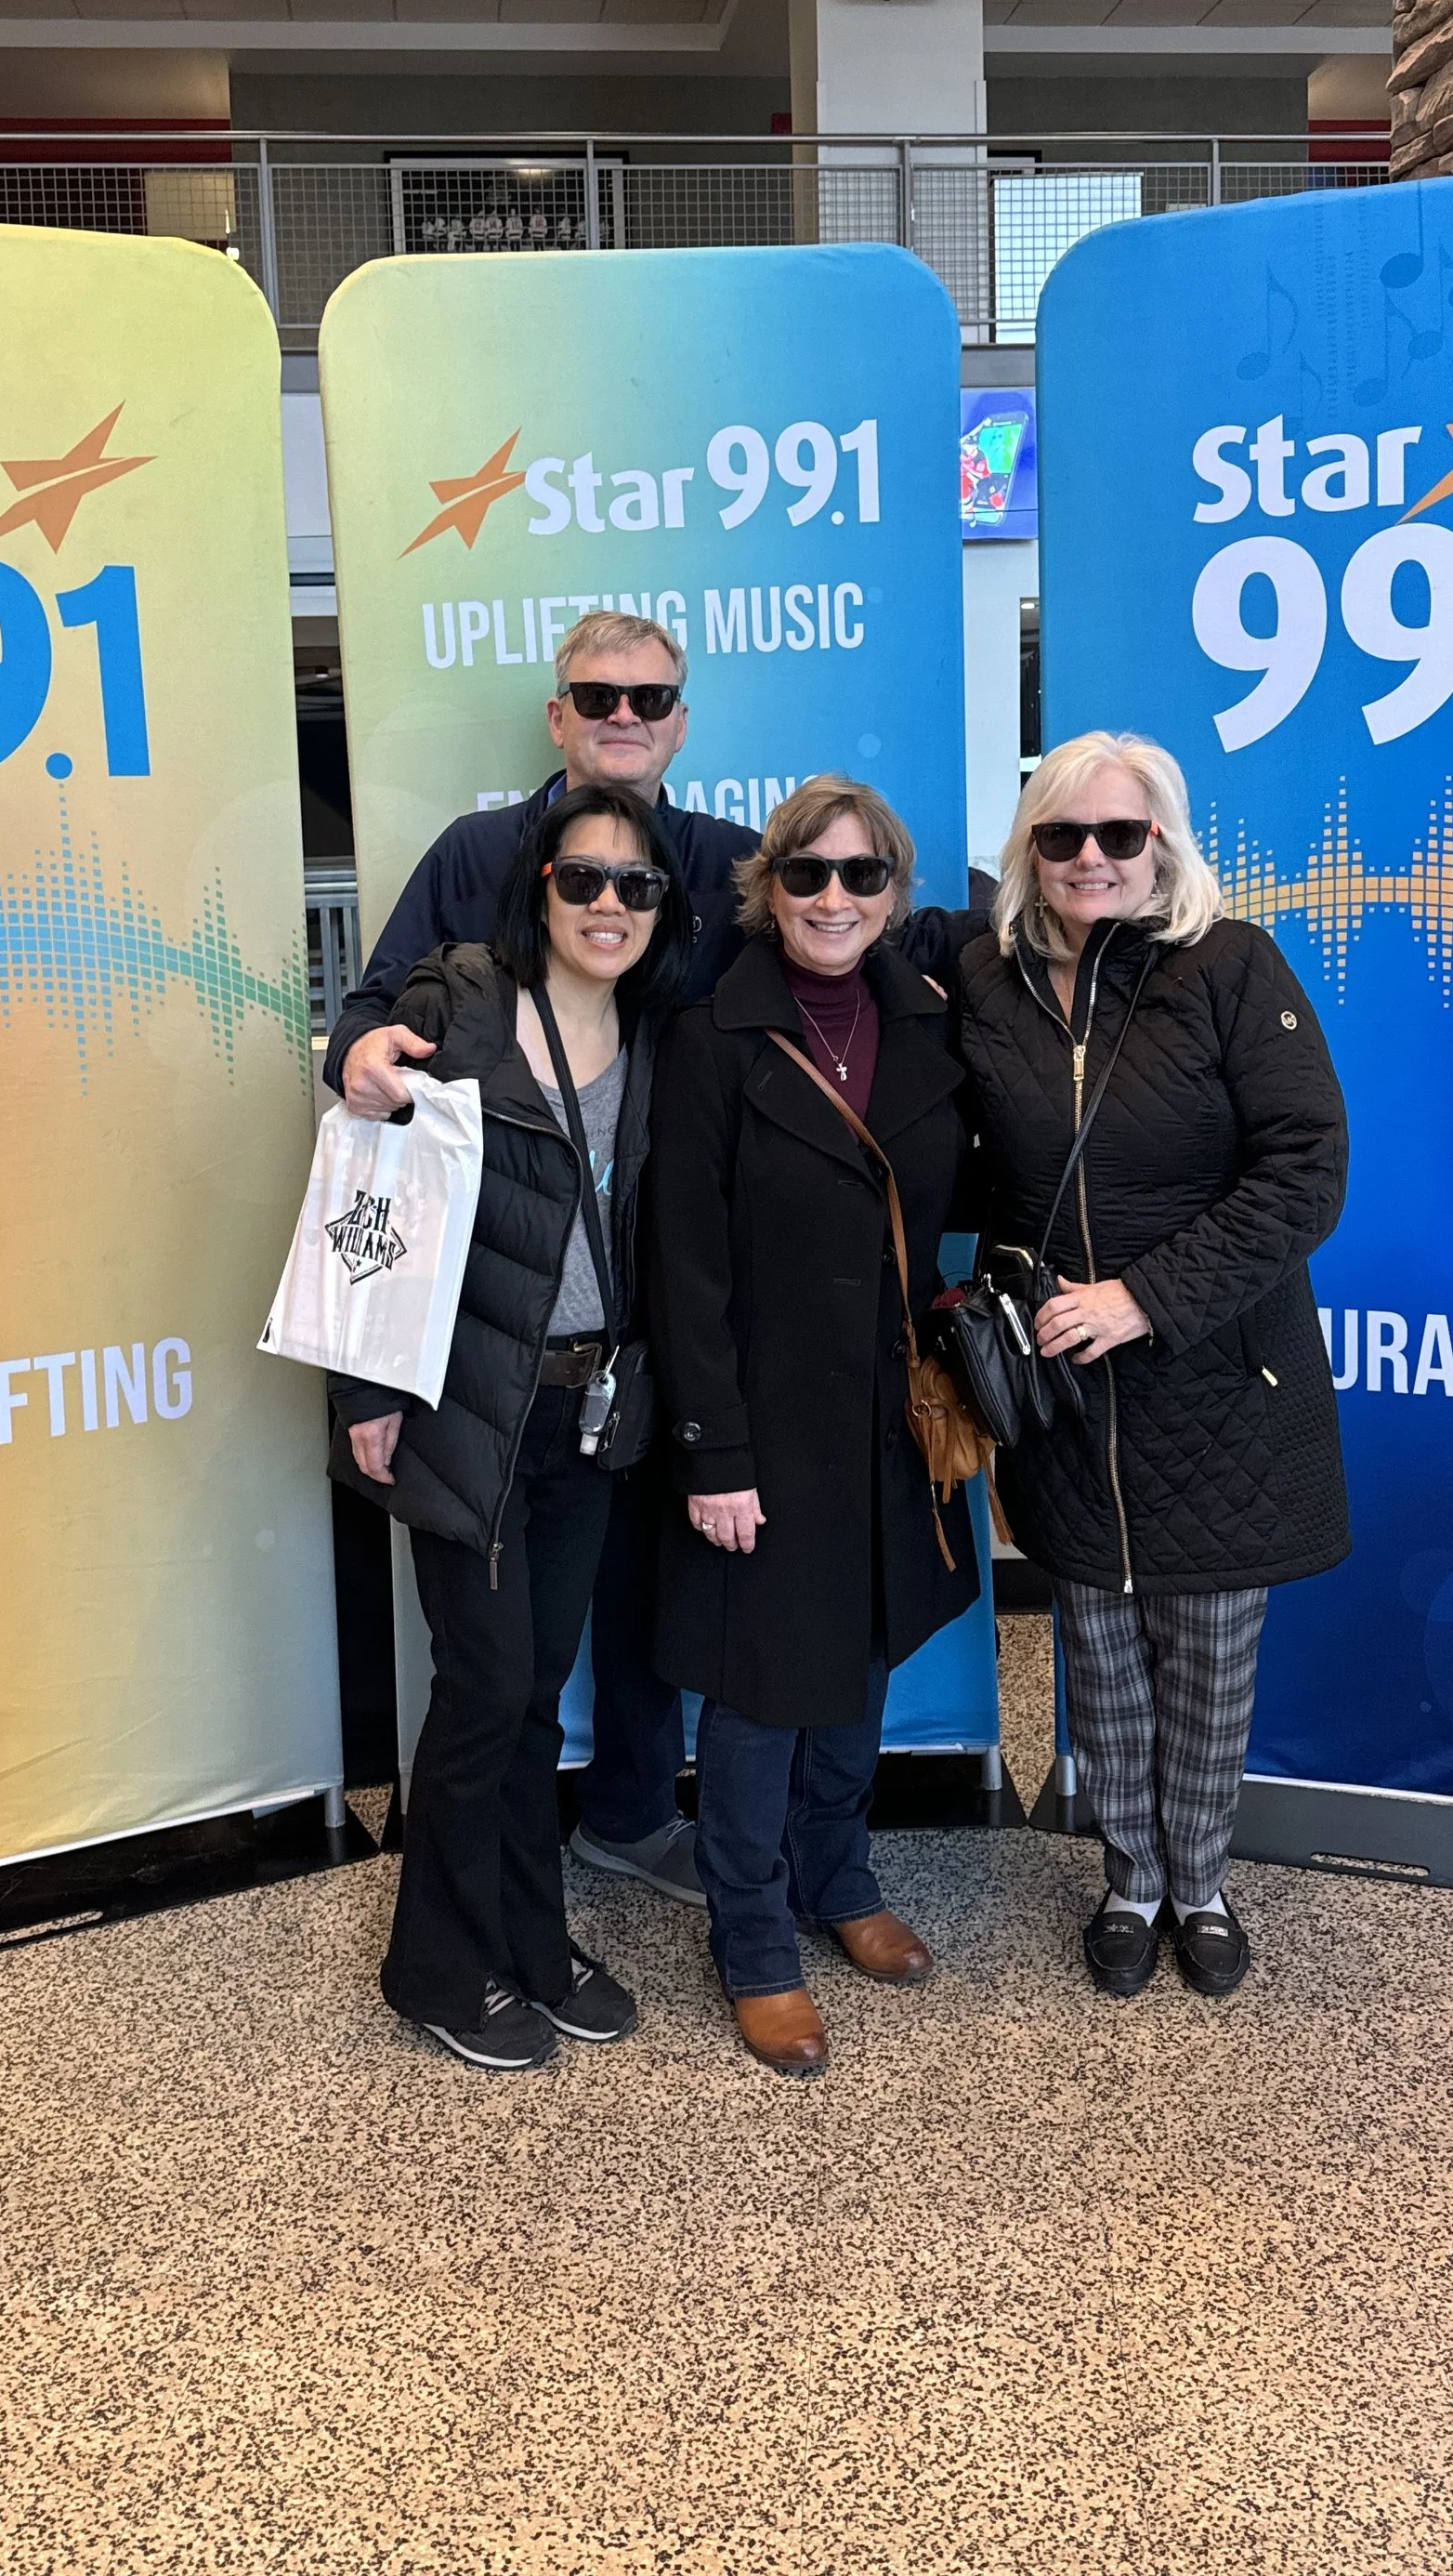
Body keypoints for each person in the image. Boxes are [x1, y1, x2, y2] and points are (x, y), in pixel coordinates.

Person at [324, 610, 755, 1908]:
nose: (624, 715)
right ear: (557, 717)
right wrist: (351, 1060)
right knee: (500, 1657)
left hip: (657, 1321)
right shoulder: (476, 856)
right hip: (495, 1340)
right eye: (597, 695)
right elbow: (373, 1028)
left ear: (681, 722)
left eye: (650, 697)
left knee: (641, 1600)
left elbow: (850, 942)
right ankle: (488, 1893)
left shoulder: (727, 863)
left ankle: (625, 1817)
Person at [952, 730, 1350, 2003]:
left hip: (1217, 1380)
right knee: (1099, 1647)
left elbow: (1305, 1170)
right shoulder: (985, 978)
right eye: (1061, 836)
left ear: (1162, 844)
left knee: (1210, 1650)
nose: (1089, 859)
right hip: (1064, 1390)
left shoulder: (1231, 968)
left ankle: (1203, 1886)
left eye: (1119, 836)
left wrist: (1146, 1298)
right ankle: (1128, 1881)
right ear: (1029, 847)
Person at [329, 781, 689, 2070]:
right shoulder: (464, 1003)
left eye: (634, 885)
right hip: (463, 1404)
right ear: (539, 883)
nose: (607, 903)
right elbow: (361, 1169)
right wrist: (364, 1386)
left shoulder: (656, 1028)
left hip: (589, 1418)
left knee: (539, 1690)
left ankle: (533, 1939)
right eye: (582, 878)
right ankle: (435, 1964)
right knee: (483, 1691)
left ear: (661, 907)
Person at [647, 775, 977, 2078]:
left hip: (889, 1411)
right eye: (807, 875)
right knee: (760, 1689)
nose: (833, 900)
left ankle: (839, 1876)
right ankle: (753, 1937)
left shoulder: (933, 1022)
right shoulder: (711, 1034)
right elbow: (685, 1267)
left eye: (861, 877)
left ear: (895, 895)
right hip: (763, 1418)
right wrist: (712, 1455)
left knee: (865, 1656)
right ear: (767, 887)